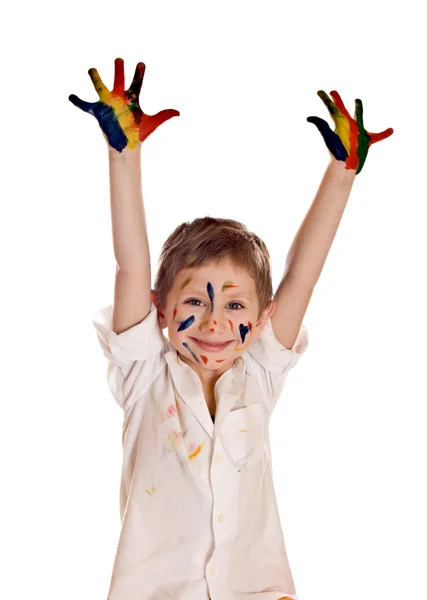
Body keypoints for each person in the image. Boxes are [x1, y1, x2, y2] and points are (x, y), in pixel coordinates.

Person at [69, 58, 393, 600]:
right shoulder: (143, 373)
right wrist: (123, 155)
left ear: (264, 316)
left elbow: (302, 278)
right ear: (161, 310)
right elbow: (131, 263)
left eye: (236, 305)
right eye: (196, 300)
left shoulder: (260, 373)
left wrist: (342, 174)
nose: (217, 322)